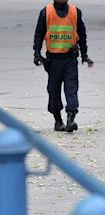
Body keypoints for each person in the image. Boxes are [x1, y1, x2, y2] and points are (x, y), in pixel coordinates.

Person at [33, 0, 94, 132]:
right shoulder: (46, 12)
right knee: (53, 91)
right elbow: (39, 34)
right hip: (53, 61)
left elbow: (82, 35)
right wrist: (37, 53)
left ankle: (70, 119)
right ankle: (58, 121)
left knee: (71, 89)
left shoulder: (75, 12)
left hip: (70, 59)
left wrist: (84, 55)